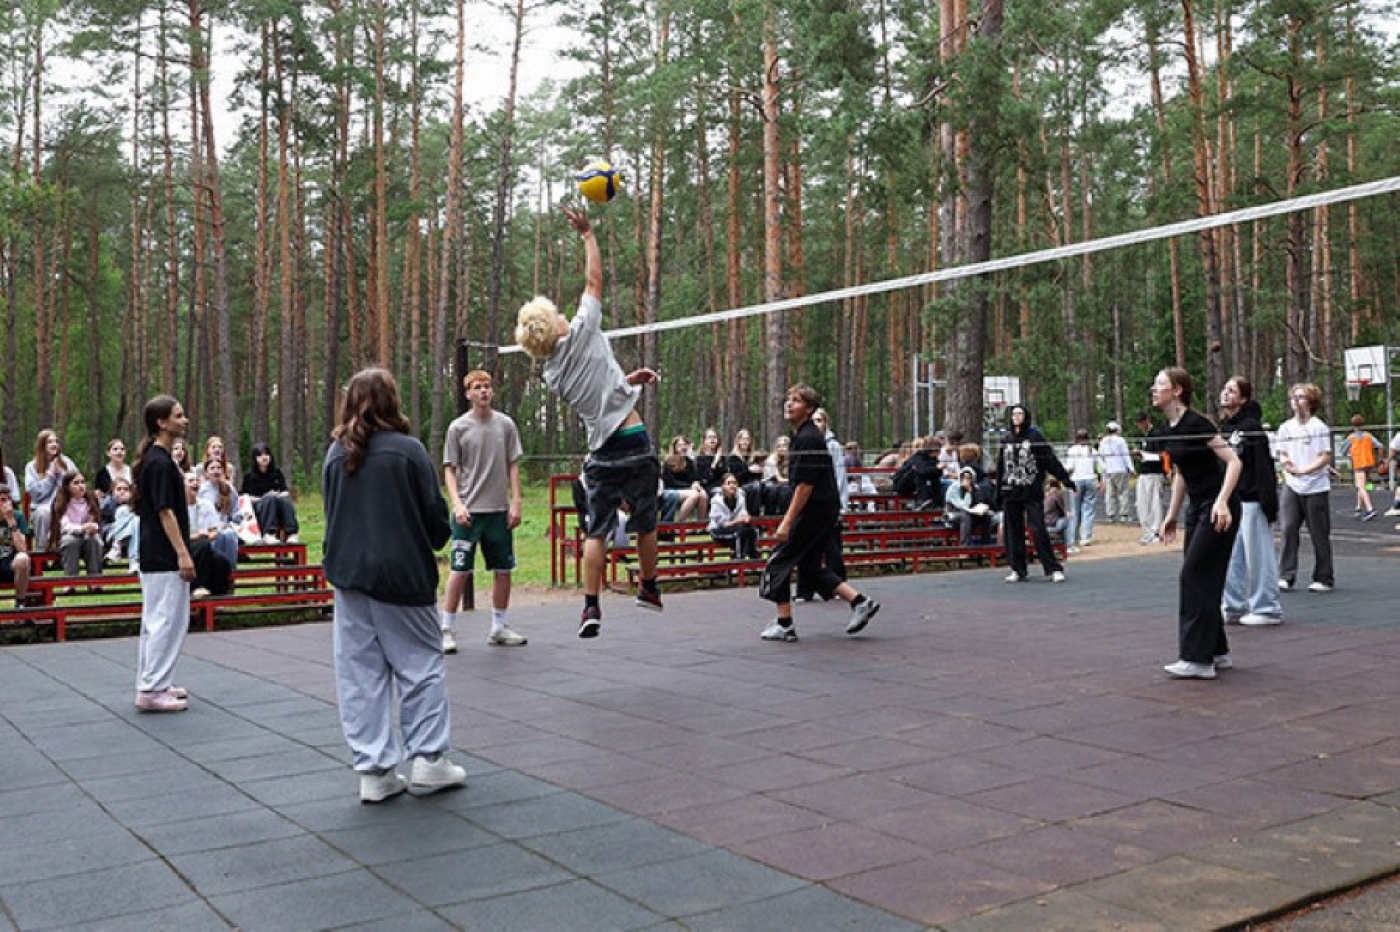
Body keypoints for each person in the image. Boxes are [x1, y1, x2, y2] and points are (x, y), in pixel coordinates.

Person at [515, 204, 663, 637]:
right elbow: (595, 281)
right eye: (557, 312)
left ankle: (591, 606)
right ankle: (649, 588)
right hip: (632, 440)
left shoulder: (552, 373)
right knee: (645, 521)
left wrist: (627, 380)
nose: (564, 312)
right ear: (556, 327)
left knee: (596, 531)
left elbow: (599, 389)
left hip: (600, 451)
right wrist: (587, 234)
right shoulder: (582, 329)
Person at [323, 367, 463, 803]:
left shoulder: (335, 454)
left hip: (349, 578)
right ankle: (428, 761)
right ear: (392, 401)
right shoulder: (408, 451)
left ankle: (374, 770)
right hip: (402, 576)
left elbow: (333, 516)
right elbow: (434, 519)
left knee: (360, 675)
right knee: (420, 666)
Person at [757, 384, 880, 642]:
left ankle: (784, 623)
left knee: (777, 562)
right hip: (823, 509)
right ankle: (860, 601)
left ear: (809, 408)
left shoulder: (808, 438)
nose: (789, 404)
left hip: (814, 511)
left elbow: (805, 485)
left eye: (797, 401)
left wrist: (787, 522)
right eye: (788, 399)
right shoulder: (803, 436)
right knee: (810, 568)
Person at [1153, 367, 1242, 680]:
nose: (1154, 389)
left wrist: (1221, 501)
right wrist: (1172, 514)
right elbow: (1181, 474)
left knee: (1193, 576)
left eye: (1160, 384)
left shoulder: (1197, 423)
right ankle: (1217, 651)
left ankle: (1197, 659)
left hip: (1220, 507)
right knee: (1203, 576)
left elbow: (1234, 461)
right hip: (1197, 507)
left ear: (1177, 391)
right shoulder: (1171, 427)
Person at [439, 368, 526, 654]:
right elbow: (449, 470)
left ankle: (499, 626)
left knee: (503, 569)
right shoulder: (458, 428)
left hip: (498, 511)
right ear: (468, 394)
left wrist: (515, 502)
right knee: (460, 570)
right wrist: (457, 503)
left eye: (487, 386)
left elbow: (513, 464)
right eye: (477, 387)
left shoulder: (506, 425)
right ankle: (447, 628)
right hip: (469, 511)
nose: (484, 391)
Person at [131, 395, 196, 713]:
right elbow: (164, 511)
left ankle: (158, 679)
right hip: (162, 554)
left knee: (163, 619)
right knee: (164, 620)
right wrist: (183, 554)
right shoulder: (157, 462)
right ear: (161, 422)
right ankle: (151, 689)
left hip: (160, 553)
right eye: (179, 415)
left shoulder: (163, 460)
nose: (185, 420)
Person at [1219, 375, 1282, 627]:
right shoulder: (1225, 429)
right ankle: (1232, 605)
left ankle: (1266, 607)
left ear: (1243, 398)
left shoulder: (1251, 427)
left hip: (1252, 499)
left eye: (1232, 390)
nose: (1225, 393)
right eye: (1225, 388)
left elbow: (1263, 467)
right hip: (1231, 501)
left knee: (1259, 555)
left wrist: (1268, 502)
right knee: (1231, 555)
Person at [996, 404, 1070, 584]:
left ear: (1026, 416)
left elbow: (1049, 460)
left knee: (1038, 529)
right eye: (1014, 414)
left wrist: (1064, 478)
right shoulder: (1006, 438)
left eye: (1020, 413)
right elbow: (1001, 466)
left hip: (1031, 490)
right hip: (1011, 491)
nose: (1016, 417)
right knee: (1013, 531)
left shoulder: (1035, 437)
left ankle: (1053, 568)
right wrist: (998, 491)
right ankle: (1017, 568)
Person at [1275, 382, 1335, 593]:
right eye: (1294, 397)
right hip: (1292, 484)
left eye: (1301, 397)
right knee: (1288, 528)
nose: (1296, 401)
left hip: (1316, 485)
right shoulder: (1285, 427)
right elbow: (1282, 452)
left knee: (1319, 532)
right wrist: (1287, 464)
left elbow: (1325, 456)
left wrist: (1305, 470)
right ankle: (1286, 575)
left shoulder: (1319, 427)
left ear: (1310, 401)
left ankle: (1324, 577)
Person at [24, 429, 78, 551]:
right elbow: (35, 494)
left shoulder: (67, 462)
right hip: (42, 507)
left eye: (56, 441)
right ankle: (41, 551)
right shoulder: (32, 466)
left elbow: (75, 486)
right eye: (49, 442)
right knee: (43, 513)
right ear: (42, 445)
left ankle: (62, 551)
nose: (54, 444)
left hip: (66, 505)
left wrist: (61, 475)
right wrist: (50, 476)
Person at [186, 471, 234, 598]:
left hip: (205, 544)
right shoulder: (177, 506)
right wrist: (195, 537)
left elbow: (214, 530)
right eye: (190, 481)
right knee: (202, 546)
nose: (195, 483)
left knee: (221, 560)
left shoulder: (205, 504)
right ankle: (198, 586)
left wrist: (206, 536)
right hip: (185, 546)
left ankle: (219, 596)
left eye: (196, 480)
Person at [48, 471, 105, 577]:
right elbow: (65, 526)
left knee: (94, 540)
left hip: (87, 536)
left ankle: (95, 579)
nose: (81, 486)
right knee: (70, 542)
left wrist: (93, 527)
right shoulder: (61, 503)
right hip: (67, 536)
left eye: (83, 482)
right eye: (76, 483)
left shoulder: (90, 500)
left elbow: (96, 520)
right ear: (67, 487)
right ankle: (70, 580)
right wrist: (83, 528)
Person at [242, 443, 301, 544]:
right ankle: (269, 533)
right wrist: (266, 497)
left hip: (277, 504)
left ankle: (292, 533)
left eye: (266, 454)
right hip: (258, 507)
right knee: (270, 498)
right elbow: (246, 497)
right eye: (260, 455)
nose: (264, 457)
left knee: (284, 499)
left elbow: (285, 491)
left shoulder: (277, 473)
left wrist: (277, 496)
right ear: (255, 459)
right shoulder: (249, 476)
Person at [197, 459, 243, 570]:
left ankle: (230, 570)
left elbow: (237, 513)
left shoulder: (229, 489)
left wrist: (230, 524)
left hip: (226, 527)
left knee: (228, 535)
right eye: (212, 468)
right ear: (206, 473)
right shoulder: (202, 491)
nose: (216, 471)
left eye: (218, 468)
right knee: (217, 537)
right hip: (208, 529)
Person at [1133, 411, 1167, 545]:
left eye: (1142, 422)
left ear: (1147, 420)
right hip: (1144, 472)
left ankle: (1156, 531)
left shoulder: (1157, 434)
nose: (1140, 425)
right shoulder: (1142, 437)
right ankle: (1147, 531)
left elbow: (1162, 455)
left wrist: (1145, 455)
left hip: (1155, 472)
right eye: (1138, 423)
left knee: (1154, 503)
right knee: (1142, 503)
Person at [708, 472, 760, 559]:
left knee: (752, 531)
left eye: (735, 483)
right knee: (740, 534)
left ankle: (753, 559)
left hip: (736, 528)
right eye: (729, 483)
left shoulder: (741, 497)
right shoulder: (716, 501)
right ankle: (737, 561)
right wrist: (739, 520)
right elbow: (722, 524)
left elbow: (743, 513)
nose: (732, 486)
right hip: (717, 530)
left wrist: (746, 517)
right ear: (723, 486)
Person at [1339, 415, 1382, 521]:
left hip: (1359, 464)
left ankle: (1370, 509)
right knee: (1363, 485)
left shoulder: (1351, 438)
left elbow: (1342, 451)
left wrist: (1350, 454)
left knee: (1361, 487)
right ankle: (1358, 508)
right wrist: (1380, 459)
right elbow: (1379, 445)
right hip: (1369, 462)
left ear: (1352, 425)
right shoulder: (1368, 435)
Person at [660, 435, 709, 523]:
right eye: (679, 445)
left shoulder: (689, 461)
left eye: (684, 445)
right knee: (694, 495)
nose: (682, 447)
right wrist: (690, 486)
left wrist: (695, 483)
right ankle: (680, 523)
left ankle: (699, 526)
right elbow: (670, 482)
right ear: (674, 447)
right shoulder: (669, 461)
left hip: (687, 489)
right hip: (673, 490)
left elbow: (695, 478)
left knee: (703, 495)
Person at [1064, 428, 1098, 550]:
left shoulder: (1072, 450)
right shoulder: (1092, 450)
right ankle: (1086, 537)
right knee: (1088, 509)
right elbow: (1097, 466)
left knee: (1075, 509)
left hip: (1077, 480)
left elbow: (1069, 467)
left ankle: (1074, 537)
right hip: (1090, 479)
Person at [944, 465, 994, 545]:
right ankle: (965, 546)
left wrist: (982, 508)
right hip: (953, 515)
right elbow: (962, 506)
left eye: (969, 478)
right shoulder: (953, 488)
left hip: (971, 515)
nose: (966, 480)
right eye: (964, 477)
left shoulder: (976, 488)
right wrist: (968, 492)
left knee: (986, 516)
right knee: (965, 516)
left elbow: (979, 502)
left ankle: (986, 545)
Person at [1, 486, 32, 606]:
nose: (7, 503)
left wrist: (10, 521)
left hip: (10, 563)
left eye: (9, 499)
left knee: (23, 559)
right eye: (3, 500)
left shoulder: (18, 516)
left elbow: (22, 549)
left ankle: (20, 602)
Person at [1097, 421, 1134, 523]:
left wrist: (1105, 467)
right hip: (1120, 469)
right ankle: (1124, 514)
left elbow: (1100, 457)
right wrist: (1131, 468)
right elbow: (1126, 455)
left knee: (1110, 493)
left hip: (1109, 470)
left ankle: (1110, 515)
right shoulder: (1120, 440)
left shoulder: (1103, 441)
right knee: (1123, 492)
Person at [103, 477, 139, 564]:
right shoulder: (108, 502)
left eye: (126, 489)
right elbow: (104, 523)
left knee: (136, 520)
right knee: (123, 510)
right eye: (119, 489)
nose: (122, 491)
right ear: (112, 491)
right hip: (111, 533)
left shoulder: (136, 503)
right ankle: (134, 561)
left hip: (132, 533)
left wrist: (130, 503)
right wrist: (118, 502)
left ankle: (117, 547)